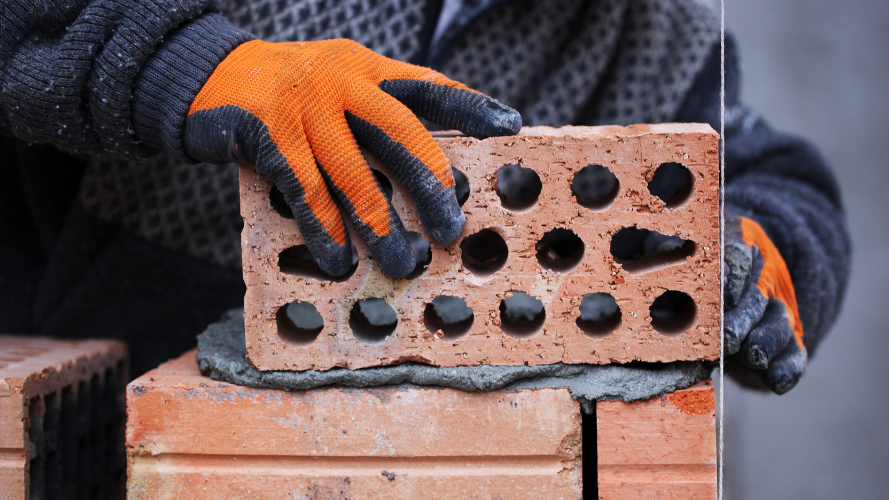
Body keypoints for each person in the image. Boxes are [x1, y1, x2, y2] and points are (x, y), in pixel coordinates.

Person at [0, 0, 849, 391]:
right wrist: (193, 66)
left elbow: (780, 180)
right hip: (72, 402)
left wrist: (761, 251)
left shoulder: (652, 30)